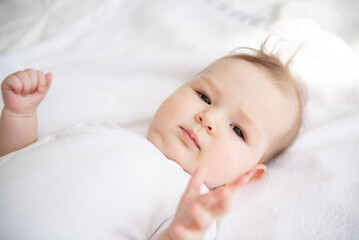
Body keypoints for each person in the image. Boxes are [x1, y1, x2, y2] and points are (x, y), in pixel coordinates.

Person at [0, 42, 305, 239]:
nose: (209, 119)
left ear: (248, 174)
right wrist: (20, 116)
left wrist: (179, 235)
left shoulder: (189, 204)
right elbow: (19, 159)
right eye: (204, 96)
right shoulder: (102, 130)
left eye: (238, 130)